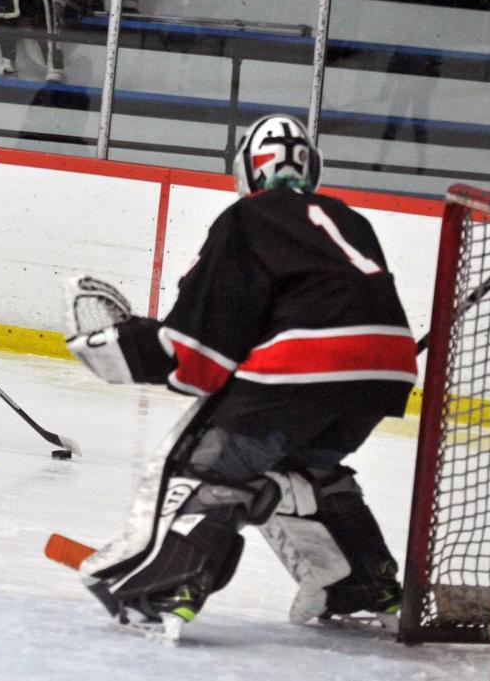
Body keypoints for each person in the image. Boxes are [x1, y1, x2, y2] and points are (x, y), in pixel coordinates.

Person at [63, 113, 418, 640]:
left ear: (247, 172)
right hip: (385, 374)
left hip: (307, 366)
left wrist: (128, 348)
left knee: (208, 464)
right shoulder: (348, 218)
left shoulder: (245, 219)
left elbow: (204, 340)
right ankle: (363, 582)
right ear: (311, 169)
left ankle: (170, 586)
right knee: (300, 466)